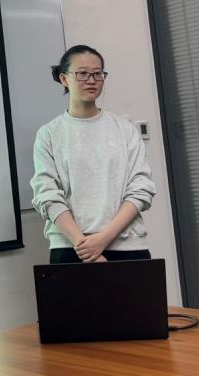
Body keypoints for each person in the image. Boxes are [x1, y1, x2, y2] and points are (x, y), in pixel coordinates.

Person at [30, 44, 155, 264]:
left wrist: (102, 240)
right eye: (82, 74)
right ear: (64, 78)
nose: (91, 80)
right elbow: (47, 195)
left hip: (127, 245)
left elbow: (141, 188)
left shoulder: (124, 129)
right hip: (71, 247)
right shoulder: (49, 134)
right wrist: (84, 244)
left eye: (98, 74)